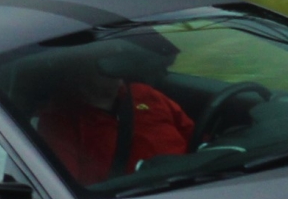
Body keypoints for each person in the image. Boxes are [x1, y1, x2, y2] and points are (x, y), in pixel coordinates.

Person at [32, 45, 195, 186]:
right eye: (107, 63)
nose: (118, 70)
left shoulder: (145, 94)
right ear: (80, 69)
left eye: (120, 61)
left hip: (194, 180)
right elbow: (64, 187)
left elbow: (197, 139)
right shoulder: (59, 123)